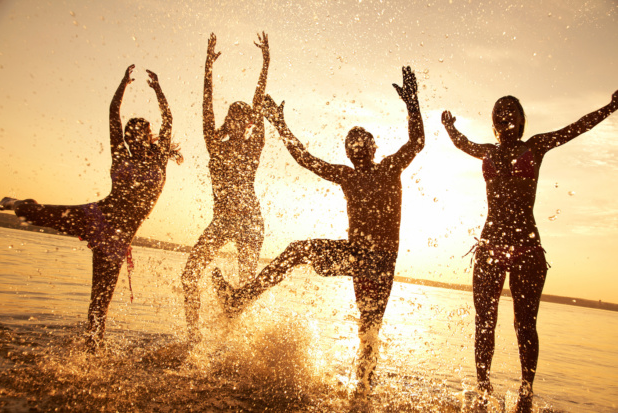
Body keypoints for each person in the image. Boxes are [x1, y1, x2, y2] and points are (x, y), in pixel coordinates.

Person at [211, 66, 425, 391]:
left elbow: (417, 141)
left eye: (362, 140)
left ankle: (362, 392)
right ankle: (240, 300)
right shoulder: (347, 175)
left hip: (380, 263)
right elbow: (305, 159)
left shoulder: (390, 168)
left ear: (373, 146)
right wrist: (281, 125)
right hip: (354, 255)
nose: (356, 145)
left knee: (369, 331)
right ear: (349, 154)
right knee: (299, 250)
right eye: (350, 142)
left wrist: (412, 103)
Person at [441, 90, 618, 412]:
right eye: (499, 112)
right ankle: (483, 387)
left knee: (525, 325)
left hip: (527, 248)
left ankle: (526, 391)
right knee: (484, 322)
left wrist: (610, 108)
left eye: (511, 111)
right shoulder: (486, 151)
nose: (505, 115)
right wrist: (449, 126)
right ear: (494, 122)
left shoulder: (535, 146)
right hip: (490, 246)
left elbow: (575, 128)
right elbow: (461, 143)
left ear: (522, 120)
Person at [0, 65, 182, 352]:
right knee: (32, 215)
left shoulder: (159, 159)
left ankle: (92, 354)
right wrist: (123, 85)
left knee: (98, 307)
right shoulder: (120, 152)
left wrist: (158, 89)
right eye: (129, 133)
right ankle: (15, 203)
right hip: (94, 216)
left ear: (148, 135)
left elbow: (169, 118)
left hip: (117, 241)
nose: (133, 137)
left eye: (139, 132)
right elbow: (113, 114)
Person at [180, 32, 270, 340]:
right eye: (232, 114)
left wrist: (266, 63)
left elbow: (258, 104)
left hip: (250, 223)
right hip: (222, 221)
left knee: (245, 286)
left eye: (242, 117)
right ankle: (194, 339)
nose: (236, 119)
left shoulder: (254, 145)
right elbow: (206, 108)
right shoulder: (214, 146)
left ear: (247, 124)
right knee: (189, 274)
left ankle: (234, 342)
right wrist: (207, 68)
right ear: (227, 119)